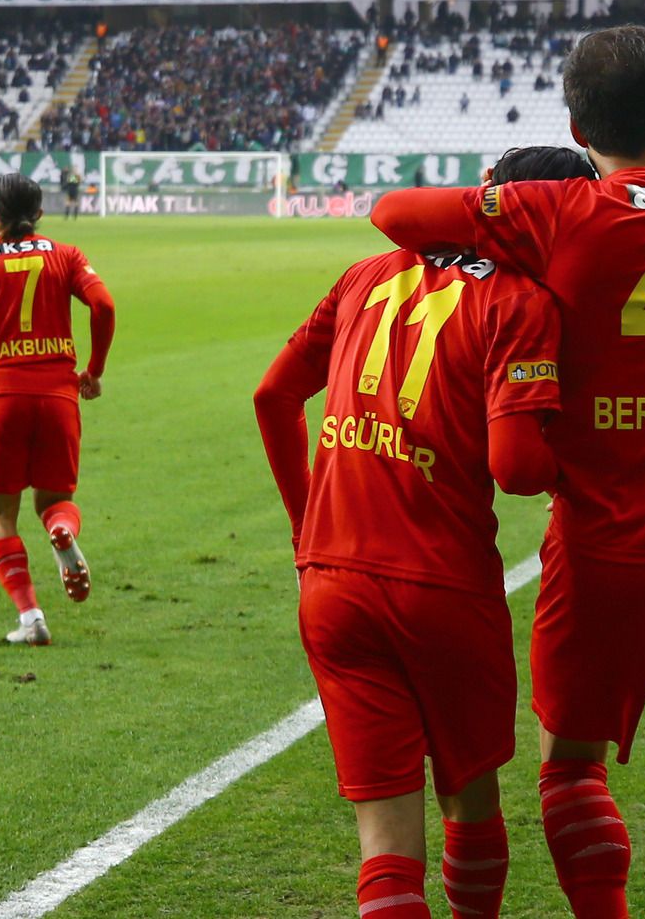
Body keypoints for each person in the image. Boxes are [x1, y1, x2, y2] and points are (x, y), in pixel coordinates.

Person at [371, 26, 645, 919]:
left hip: (606, 544)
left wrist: (505, 204)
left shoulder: (567, 213)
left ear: (574, 126)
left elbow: (395, 213)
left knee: (570, 769)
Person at [254, 146, 576, 919]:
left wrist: (306, 529)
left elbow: (273, 396)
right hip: (442, 586)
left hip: (333, 584)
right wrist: (580, 470)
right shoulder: (521, 301)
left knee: (386, 847)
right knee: (471, 803)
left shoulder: (366, 274)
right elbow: (516, 468)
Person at [0, 174, 115, 646]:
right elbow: (104, 306)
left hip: (0, 397)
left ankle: (31, 617)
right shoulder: (66, 255)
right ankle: (61, 530)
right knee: (53, 502)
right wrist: (94, 370)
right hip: (58, 396)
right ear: (40, 215)